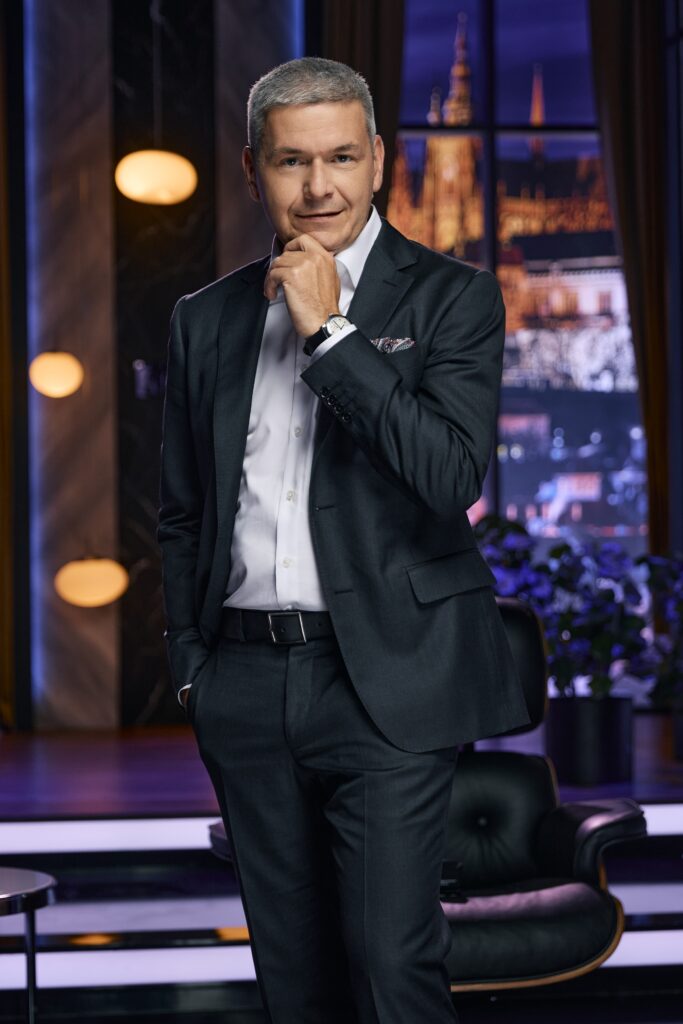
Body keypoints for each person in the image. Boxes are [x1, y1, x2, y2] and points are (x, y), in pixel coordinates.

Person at [157, 56, 530, 1024]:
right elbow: (185, 511)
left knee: (386, 960)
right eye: (292, 161)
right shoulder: (205, 318)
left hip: (389, 678)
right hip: (242, 680)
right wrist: (193, 665)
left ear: (378, 162)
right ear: (253, 170)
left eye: (340, 158)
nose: (318, 186)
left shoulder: (452, 297)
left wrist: (329, 333)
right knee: (292, 971)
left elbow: (447, 476)